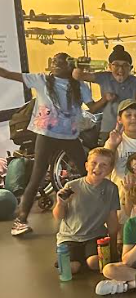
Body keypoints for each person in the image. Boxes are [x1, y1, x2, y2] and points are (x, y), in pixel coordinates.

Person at [1, 52, 94, 236]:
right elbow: (9, 74)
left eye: (61, 62)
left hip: (70, 136)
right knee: (37, 176)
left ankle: (94, 212)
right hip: (46, 134)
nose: (56, 64)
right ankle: (20, 221)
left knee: (86, 172)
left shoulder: (79, 86)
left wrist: (106, 99)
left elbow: (93, 107)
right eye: (54, 61)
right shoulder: (42, 80)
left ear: (70, 66)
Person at [53, 148, 120, 273]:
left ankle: (84, 258)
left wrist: (113, 247)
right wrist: (60, 204)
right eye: (94, 163)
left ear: (110, 170)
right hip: (70, 237)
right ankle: (75, 259)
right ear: (86, 165)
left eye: (103, 165)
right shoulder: (71, 186)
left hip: (94, 235)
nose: (98, 168)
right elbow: (59, 216)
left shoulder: (111, 189)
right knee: (72, 268)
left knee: (94, 263)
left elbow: (112, 219)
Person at [72, 45, 136, 143]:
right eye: (116, 65)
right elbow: (78, 76)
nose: (120, 69)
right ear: (109, 66)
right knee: (107, 152)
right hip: (108, 128)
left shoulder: (135, 81)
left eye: (125, 65)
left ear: (130, 68)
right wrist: (80, 66)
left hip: (131, 129)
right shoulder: (104, 77)